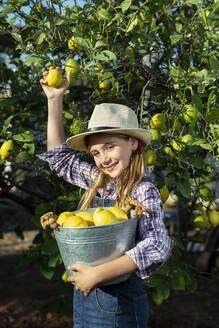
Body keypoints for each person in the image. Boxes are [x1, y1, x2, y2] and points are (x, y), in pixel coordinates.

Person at [39, 67, 173, 328]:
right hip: (88, 294)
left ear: (133, 143)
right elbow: (59, 159)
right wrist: (54, 100)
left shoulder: (143, 191)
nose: (103, 159)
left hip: (118, 300)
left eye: (110, 147)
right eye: (96, 153)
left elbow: (158, 245)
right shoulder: (100, 182)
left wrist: (98, 274)